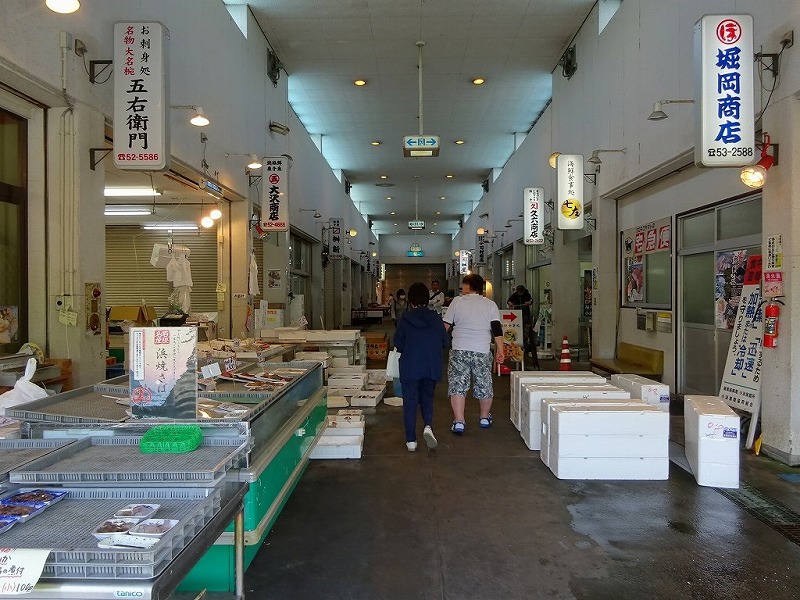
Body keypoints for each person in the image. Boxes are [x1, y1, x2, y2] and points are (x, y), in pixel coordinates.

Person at [443, 273, 504, 434]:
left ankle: (459, 421)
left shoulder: (456, 302)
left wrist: (437, 344)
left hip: (459, 349)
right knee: (484, 384)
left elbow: (446, 326)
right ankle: (484, 417)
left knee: (457, 386)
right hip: (481, 350)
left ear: (469, 287)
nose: (462, 288)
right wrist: (501, 351)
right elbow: (497, 330)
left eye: (464, 285)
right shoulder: (490, 305)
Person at [393, 282, 449, 451]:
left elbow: (398, 343)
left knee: (410, 402)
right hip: (431, 365)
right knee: (427, 398)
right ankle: (428, 426)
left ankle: (411, 441)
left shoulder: (405, 319)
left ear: (410, 300)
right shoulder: (437, 319)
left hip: (410, 366)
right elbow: (445, 342)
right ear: (427, 298)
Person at [507, 284, 535, 358]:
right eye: (519, 292)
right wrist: (510, 303)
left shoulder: (527, 294)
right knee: (518, 328)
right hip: (516, 314)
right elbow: (509, 300)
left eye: (521, 293)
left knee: (525, 328)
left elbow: (531, 301)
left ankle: (524, 344)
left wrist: (529, 302)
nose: (519, 294)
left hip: (525, 313)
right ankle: (518, 343)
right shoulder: (515, 295)